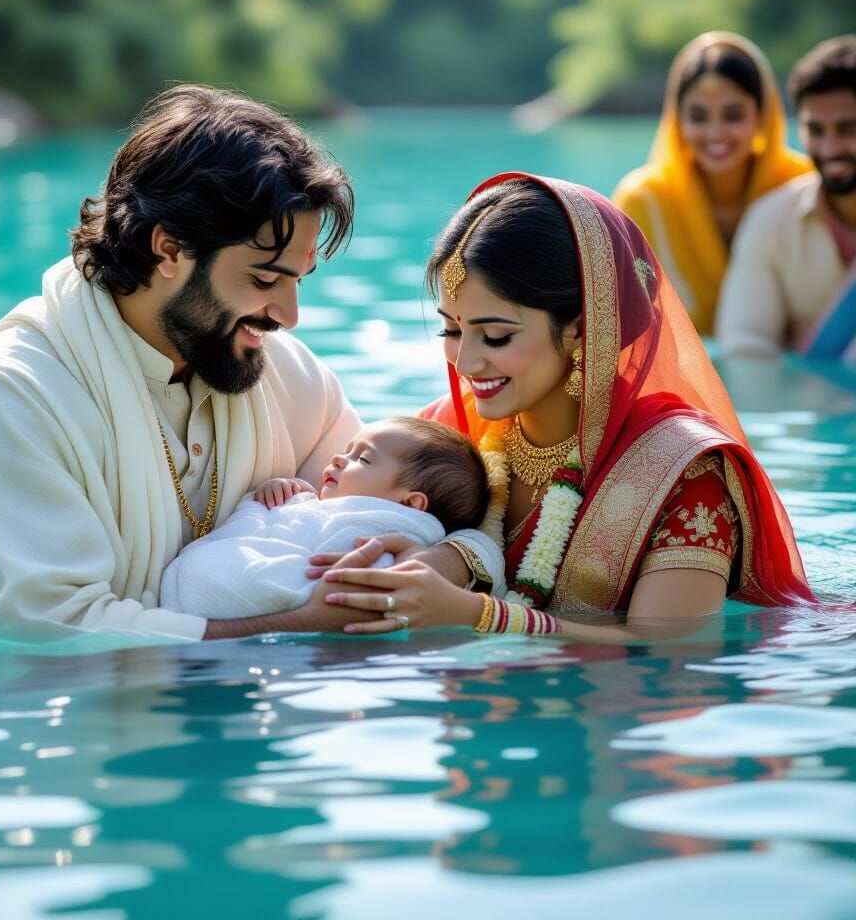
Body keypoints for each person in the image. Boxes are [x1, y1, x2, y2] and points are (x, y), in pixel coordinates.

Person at [0, 83, 504, 642]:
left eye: (298, 281)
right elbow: (54, 635)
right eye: (265, 278)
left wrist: (451, 560)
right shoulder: (10, 397)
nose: (289, 315)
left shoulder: (286, 374)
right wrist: (297, 625)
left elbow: (399, 504)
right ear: (170, 249)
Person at [314, 172, 817, 642]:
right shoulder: (444, 433)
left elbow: (668, 653)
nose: (465, 360)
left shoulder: (683, 472)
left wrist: (478, 615)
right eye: (451, 329)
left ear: (581, 326)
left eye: (495, 335)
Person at [160, 418, 491, 620]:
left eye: (362, 458)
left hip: (258, 597)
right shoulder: (320, 503)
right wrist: (273, 498)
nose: (339, 458)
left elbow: (342, 577)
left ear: (410, 503)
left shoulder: (383, 529)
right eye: (348, 448)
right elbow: (269, 529)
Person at [613, 32, 810, 334]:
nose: (715, 133)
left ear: (762, 116)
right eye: (698, 116)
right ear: (677, 121)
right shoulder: (644, 200)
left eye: (733, 115)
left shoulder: (800, 186)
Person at [716, 36, 856, 358]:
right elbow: (744, 348)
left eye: (847, 130)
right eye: (816, 131)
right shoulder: (771, 221)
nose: (829, 149)